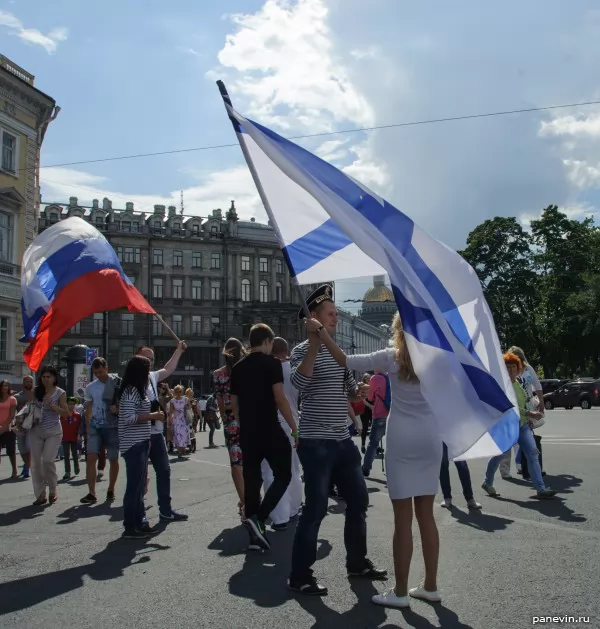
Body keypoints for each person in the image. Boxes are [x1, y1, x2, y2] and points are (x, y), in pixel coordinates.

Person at [310, 311, 443, 609]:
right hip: (431, 439)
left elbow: (345, 360)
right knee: (426, 516)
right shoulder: (437, 358)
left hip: (402, 439)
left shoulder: (392, 357)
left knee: (403, 520)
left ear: (397, 330)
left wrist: (322, 332)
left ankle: (399, 592)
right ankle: (431, 586)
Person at [288, 285, 386, 596]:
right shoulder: (302, 350)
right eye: (331, 315)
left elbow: (351, 388)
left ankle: (356, 562)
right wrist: (316, 344)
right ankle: (300, 575)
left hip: (341, 438)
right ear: (314, 318)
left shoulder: (338, 352)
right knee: (316, 508)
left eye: (336, 315)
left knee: (358, 500)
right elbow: (300, 384)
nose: (336, 320)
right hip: (315, 440)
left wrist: (357, 391)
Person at [230, 324, 297, 550]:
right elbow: (279, 398)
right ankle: (259, 517)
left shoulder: (238, 367)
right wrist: (294, 427)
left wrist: (242, 423)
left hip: (248, 431)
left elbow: (234, 405)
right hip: (270, 428)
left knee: (252, 480)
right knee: (284, 474)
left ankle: (255, 539)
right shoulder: (272, 364)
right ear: (268, 341)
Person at [482, 353, 556, 500]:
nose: (510, 370)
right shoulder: (502, 386)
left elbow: (525, 401)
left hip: (522, 425)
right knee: (499, 456)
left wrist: (529, 416)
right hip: (507, 427)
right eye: (507, 368)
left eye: (513, 367)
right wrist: (529, 413)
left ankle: (540, 489)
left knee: (533, 454)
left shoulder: (519, 382)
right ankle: (487, 482)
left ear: (518, 368)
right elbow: (510, 407)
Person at [136, 342, 189, 522]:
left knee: (164, 471)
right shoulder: (131, 379)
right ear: (136, 358)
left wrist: (179, 351)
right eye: (145, 358)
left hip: (156, 432)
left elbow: (168, 368)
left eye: (151, 359)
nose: (149, 362)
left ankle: (166, 510)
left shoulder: (152, 376)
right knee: (140, 475)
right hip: (140, 433)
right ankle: (139, 514)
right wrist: (152, 415)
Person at [117, 355, 163, 539]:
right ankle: (130, 525)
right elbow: (128, 418)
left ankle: (139, 522)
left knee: (139, 487)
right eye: (147, 368)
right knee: (134, 487)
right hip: (133, 444)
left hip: (141, 442)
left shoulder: (138, 390)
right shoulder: (130, 392)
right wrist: (152, 416)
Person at [261, 337, 304, 531]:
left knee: (271, 472)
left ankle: (279, 516)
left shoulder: (268, 370)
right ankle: (294, 508)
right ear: (286, 351)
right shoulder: (294, 372)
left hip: (270, 423)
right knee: (294, 469)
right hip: (293, 422)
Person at [500, 346, 544, 479]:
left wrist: (540, 402)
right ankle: (501, 472)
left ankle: (527, 470)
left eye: (517, 360)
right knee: (508, 443)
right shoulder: (506, 373)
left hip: (526, 407)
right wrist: (529, 414)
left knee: (529, 446)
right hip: (511, 411)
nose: (513, 366)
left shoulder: (528, 369)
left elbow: (537, 385)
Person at [213, 338, 246, 517]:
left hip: (231, 422)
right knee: (250, 463)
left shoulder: (218, 374)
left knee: (236, 464)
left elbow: (219, 401)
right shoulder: (248, 371)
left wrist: (226, 420)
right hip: (249, 420)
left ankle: (244, 502)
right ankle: (250, 500)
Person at [81, 358, 121, 504]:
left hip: (112, 425)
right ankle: (91, 492)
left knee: (113, 458)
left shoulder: (117, 382)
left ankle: (111, 489)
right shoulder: (91, 387)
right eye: (96, 372)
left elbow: (124, 401)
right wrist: (87, 425)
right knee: (91, 458)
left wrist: (118, 408)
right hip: (95, 426)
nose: (99, 375)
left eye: (101, 371)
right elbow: (89, 406)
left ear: (107, 368)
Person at [29, 366, 68, 505]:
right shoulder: (36, 390)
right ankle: (40, 494)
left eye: (48, 376)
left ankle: (53, 489)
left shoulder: (60, 393)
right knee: (36, 464)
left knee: (47, 461)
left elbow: (65, 413)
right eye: (43, 376)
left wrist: (52, 405)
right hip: (36, 430)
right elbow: (30, 408)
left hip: (53, 431)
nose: (45, 379)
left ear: (54, 378)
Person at [362, 369, 389, 477]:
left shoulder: (375, 378)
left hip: (379, 414)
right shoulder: (390, 376)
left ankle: (366, 468)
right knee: (392, 444)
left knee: (373, 443)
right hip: (392, 413)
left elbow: (370, 397)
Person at [439, 443, 482, 510]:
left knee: (463, 467)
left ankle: (470, 499)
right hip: (441, 439)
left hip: (454, 439)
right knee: (443, 467)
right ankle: (447, 497)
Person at [15, 375, 34, 478]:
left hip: (32, 426)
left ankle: (26, 468)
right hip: (21, 426)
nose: (29, 383)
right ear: (23, 383)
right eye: (27, 381)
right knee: (22, 449)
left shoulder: (36, 395)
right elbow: (14, 411)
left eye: (30, 381)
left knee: (29, 447)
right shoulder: (18, 396)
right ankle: (28, 464)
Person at [60, 397, 82, 480]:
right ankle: (67, 472)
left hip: (74, 437)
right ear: (66, 404)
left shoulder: (77, 415)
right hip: (65, 437)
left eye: (73, 404)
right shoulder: (63, 415)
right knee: (66, 455)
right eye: (70, 404)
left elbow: (80, 426)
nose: (71, 406)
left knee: (74, 454)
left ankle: (76, 467)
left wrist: (79, 435)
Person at [168, 385, 191, 457]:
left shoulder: (185, 399)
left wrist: (188, 406)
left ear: (182, 392)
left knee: (184, 435)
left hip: (184, 419)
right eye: (177, 391)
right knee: (177, 435)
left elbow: (189, 407)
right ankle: (179, 451)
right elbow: (171, 411)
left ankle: (183, 449)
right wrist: (169, 419)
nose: (178, 393)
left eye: (180, 391)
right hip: (176, 420)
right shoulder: (172, 401)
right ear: (174, 392)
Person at [0, 380, 18, 479]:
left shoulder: (12, 399)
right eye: (3, 386)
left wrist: (4, 427)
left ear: (8, 387)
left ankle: (14, 470)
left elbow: (11, 416)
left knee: (11, 451)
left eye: (6, 385)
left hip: (9, 429)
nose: (4, 387)